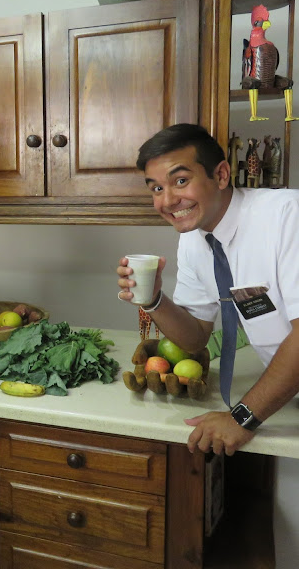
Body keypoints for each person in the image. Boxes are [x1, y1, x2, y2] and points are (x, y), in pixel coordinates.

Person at [116, 122, 299, 569]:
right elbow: (196, 335)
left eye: (180, 180)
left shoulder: (286, 216)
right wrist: (153, 299)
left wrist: (242, 417)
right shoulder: (194, 241)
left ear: (220, 175)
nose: (167, 200)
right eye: (155, 188)